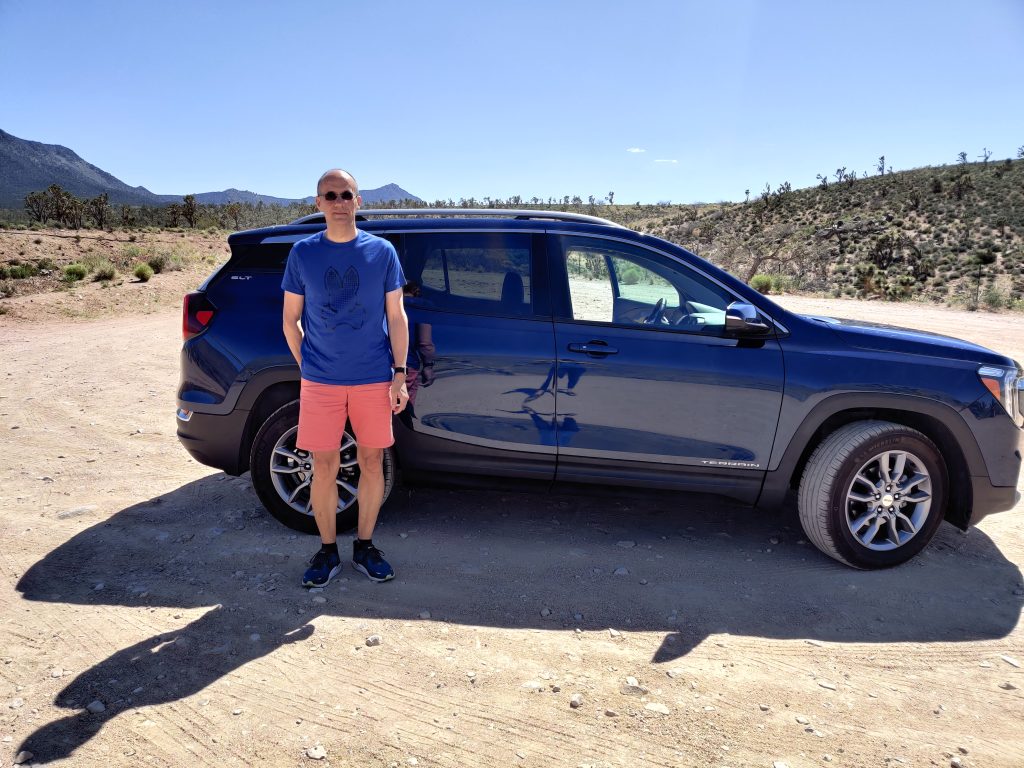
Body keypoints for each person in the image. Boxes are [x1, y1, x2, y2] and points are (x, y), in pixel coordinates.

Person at [281, 168, 409, 588]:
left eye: (346, 194)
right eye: (330, 195)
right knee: (323, 465)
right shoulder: (303, 253)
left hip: (374, 377)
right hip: (322, 382)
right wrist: (307, 366)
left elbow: (396, 316)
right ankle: (327, 550)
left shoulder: (382, 253)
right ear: (318, 203)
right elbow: (290, 320)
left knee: (372, 462)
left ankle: (366, 547)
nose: (339, 202)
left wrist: (399, 373)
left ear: (358, 201)